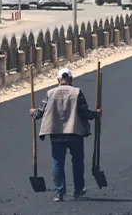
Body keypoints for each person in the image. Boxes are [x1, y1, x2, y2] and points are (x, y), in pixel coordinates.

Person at [30, 68, 102, 202]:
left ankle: (59, 192)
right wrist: (96, 114)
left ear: (58, 80)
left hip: (56, 135)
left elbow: (39, 113)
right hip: (75, 133)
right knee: (78, 162)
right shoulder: (77, 92)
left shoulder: (50, 93)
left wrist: (32, 112)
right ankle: (78, 189)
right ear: (71, 79)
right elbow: (84, 113)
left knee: (58, 163)